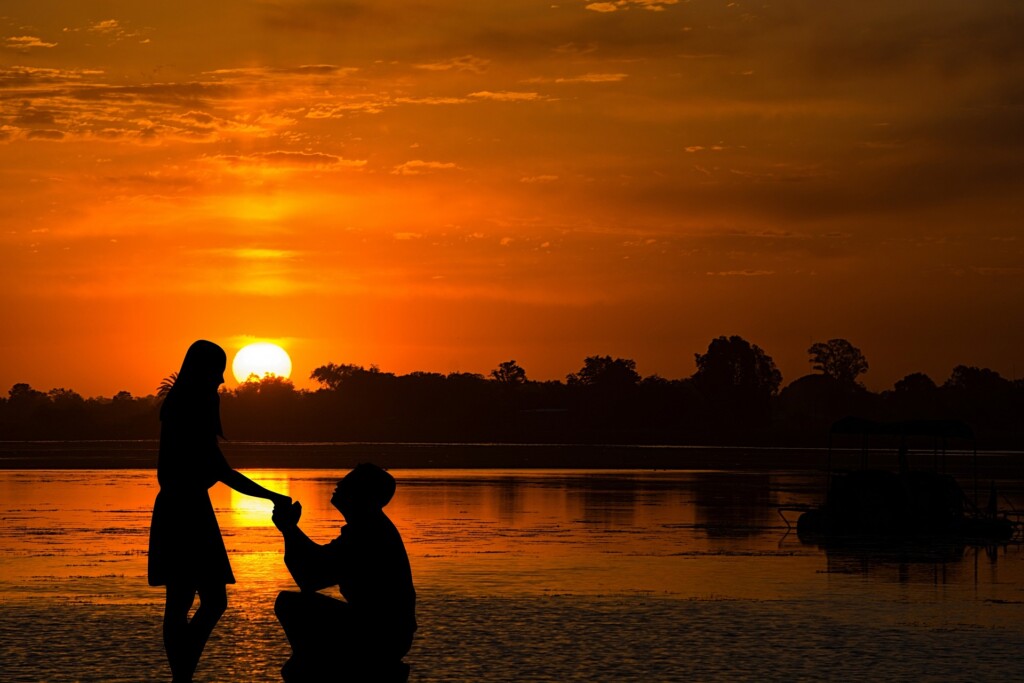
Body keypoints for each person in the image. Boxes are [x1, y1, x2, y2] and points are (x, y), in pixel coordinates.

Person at [148, 340, 291, 682]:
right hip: (184, 510)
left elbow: (213, 469)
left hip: (187, 505)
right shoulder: (189, 407)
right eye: (217, 371)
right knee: (196, 601)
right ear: (203, 372)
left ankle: (182, 674)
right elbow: (222, 472)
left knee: (193, 602)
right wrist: (275, 497)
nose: (222, 380)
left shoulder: (183, 405)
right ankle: (182, 675)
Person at [272, 463, 417, 682]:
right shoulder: (368, 527)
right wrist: (289, 529)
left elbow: (311, 576)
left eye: (348, 482)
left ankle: (311, 660)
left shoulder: (368, 533)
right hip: (385, 631)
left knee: (290, 605)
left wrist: (289, 529)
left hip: (382, 634)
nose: (339, 484)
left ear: (363, 494)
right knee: (292, 605)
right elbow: (314, 568)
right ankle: (310, 659)